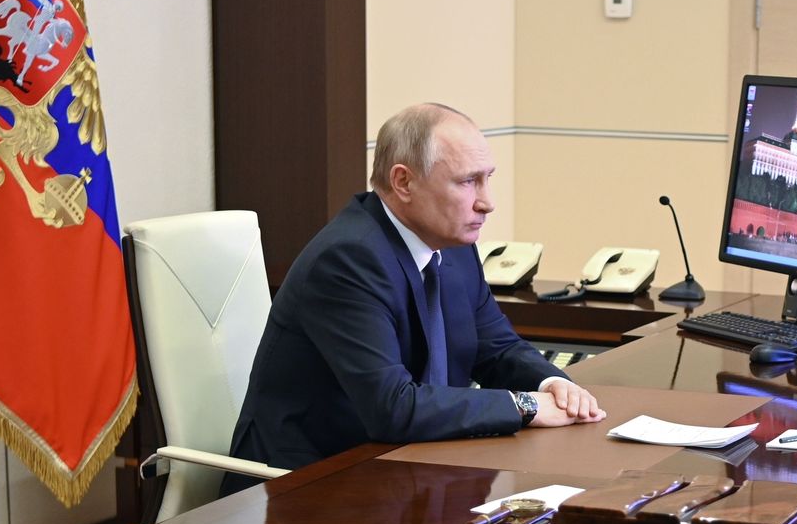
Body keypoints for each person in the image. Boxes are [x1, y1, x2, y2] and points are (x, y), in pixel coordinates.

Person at [228, 103, 606, 474]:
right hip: (307, 483)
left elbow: (498, 349)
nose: (486, 202)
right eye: (467, 181)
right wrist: (525, 406)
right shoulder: (349, 259)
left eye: (488, 178)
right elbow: (391, 408)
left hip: (406, 467)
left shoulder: (453, 247)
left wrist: (553, 384)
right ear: (403, 182)